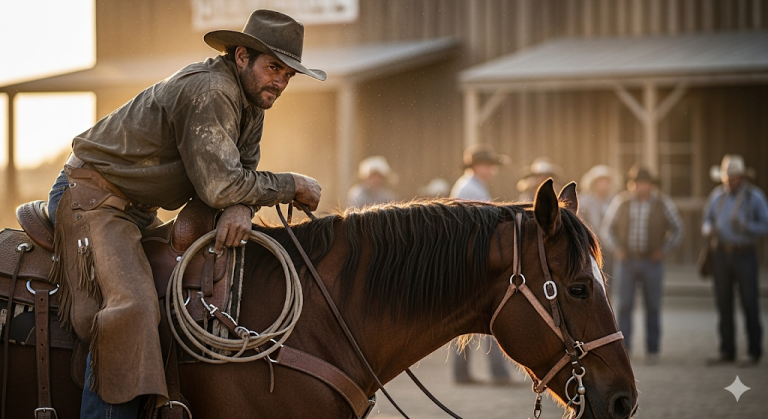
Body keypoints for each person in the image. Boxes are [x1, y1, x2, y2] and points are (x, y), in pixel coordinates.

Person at [45, 10, 325, 418]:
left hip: (136, 209)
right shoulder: (211, 90)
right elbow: (220, 186)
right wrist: (291, 184)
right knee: (133, 307)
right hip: (91, 198)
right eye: (273, 68)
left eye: (288, 74)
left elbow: (240, 175)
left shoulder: (252, 105)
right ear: (242, 56)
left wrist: (241, 205)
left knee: (179, 286)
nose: (280, 82)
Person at [600, 165, 684, 364]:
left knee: (653, 306)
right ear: (631, 184)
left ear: (651, 185)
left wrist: (664, 250)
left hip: (652, 261)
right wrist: (616, 249)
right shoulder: (622, 202)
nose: (640, 187)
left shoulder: (662, 203)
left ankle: (652, 349)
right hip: (627, 261)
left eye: (644, 183)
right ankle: (624, 349)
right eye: (637, 183)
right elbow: (607, 229)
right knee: (624, 306)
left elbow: (678, 228)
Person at [450, 144, 513, 385]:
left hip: (468, 257)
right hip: (472, 259)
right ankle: (492, 372)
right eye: (488, 165)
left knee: (467, 317)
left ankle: (465, 372)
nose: (491, 170)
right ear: (477, 166)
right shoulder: (470, 188)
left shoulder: (471, 186)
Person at [702, 155, 768, 366]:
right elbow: (706, 220)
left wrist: (747, 227)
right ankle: (727, 350)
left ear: (741, 177)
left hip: (744, 253)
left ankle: (754, 351)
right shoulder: (717, 196)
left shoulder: (754, 197)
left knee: (749, 302)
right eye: (727, 177)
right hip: (721, 253)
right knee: (723, 302)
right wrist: (709, 229)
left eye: (733, 177)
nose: (730, 180)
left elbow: (765, 224)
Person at [579, 164, 619, 280]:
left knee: (609, 277)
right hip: (590, 245)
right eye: (600, 182)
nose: (603, 185)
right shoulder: (584, 201)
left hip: (609, 247)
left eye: (606, 182)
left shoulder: (615, 200)